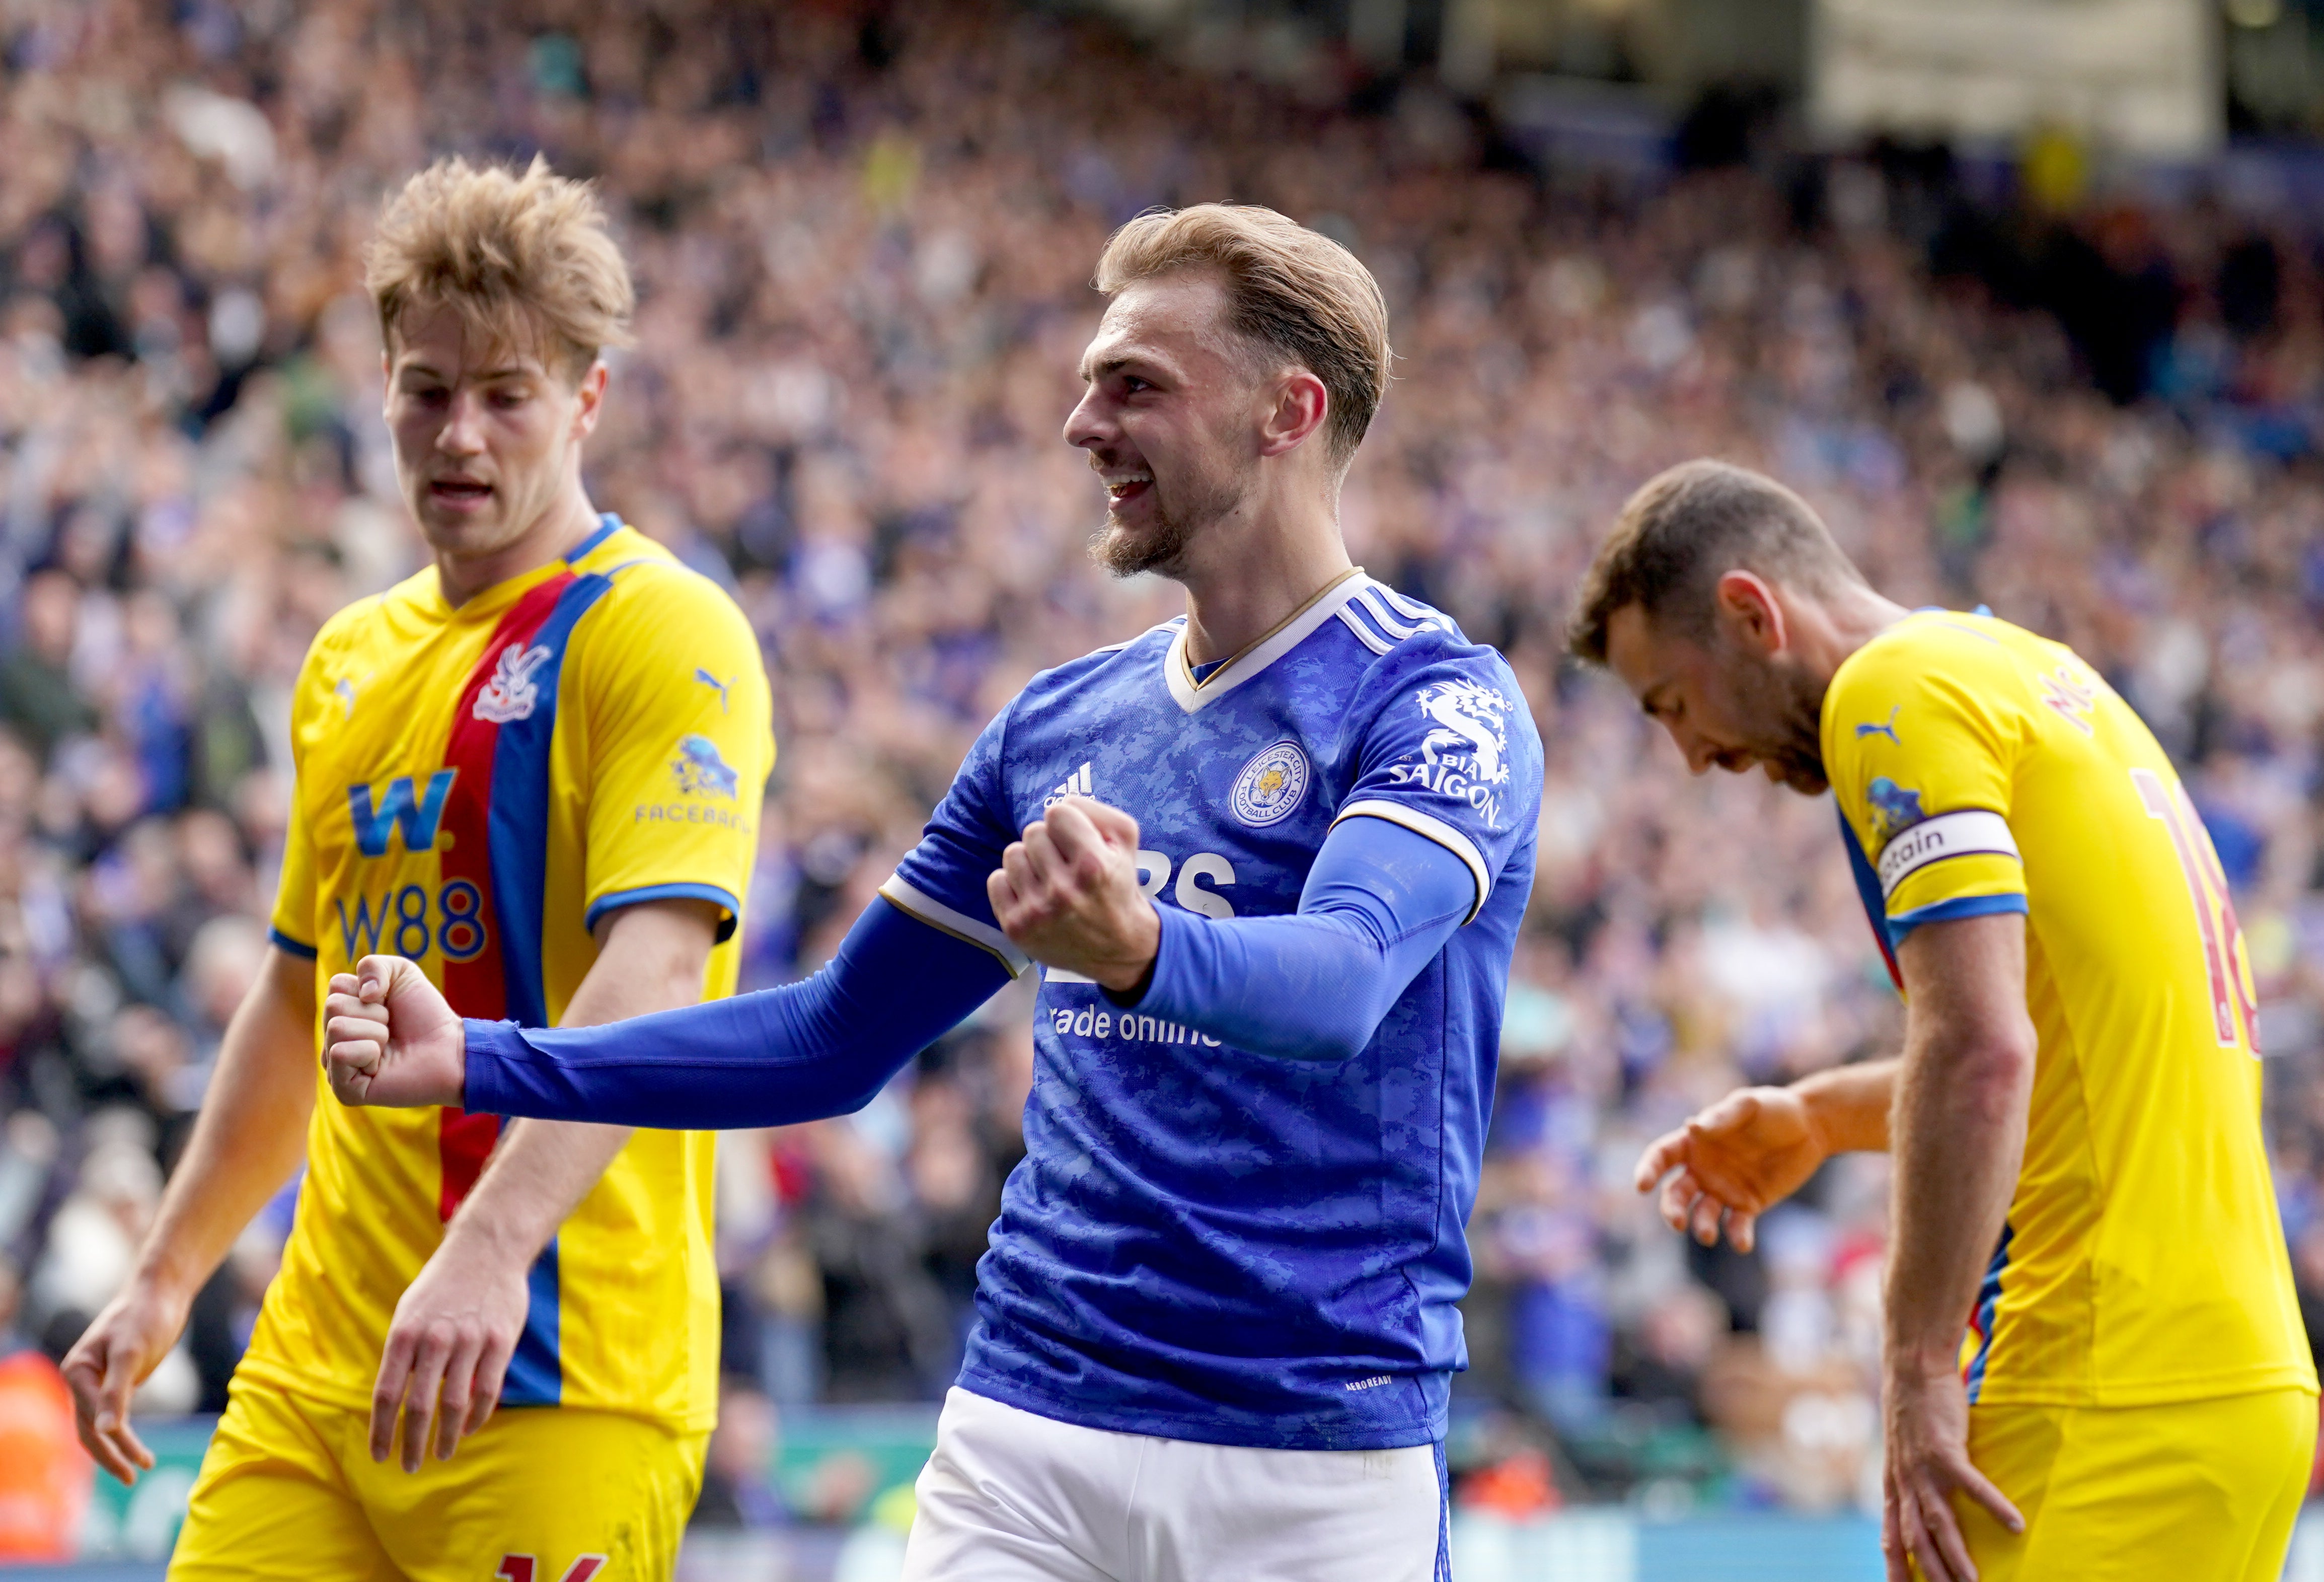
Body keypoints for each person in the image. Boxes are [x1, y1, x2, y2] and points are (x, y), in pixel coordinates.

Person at [320, 203, 1542, 1582]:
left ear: (1286, 410)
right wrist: (485, 1057)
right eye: (1087, 381)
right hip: (1030, 1426)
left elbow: (1341, 979)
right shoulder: (1056, 720)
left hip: (1314, 1460)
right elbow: (829, 1037)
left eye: (1133, 382)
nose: (1082, 423)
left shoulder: (1435, 702)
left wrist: (1140, 945)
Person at [59, 158, 773, 1581]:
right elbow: (292, 996)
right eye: (424, 387)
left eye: (505, 391)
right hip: (320, 1369)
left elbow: (652, 972)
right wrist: (165, 1269)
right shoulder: (346, 658)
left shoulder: (662, 630)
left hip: (555, 1363)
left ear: (588, 398)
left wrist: (493, 1245)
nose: (459, 432)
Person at [1572, 460, 2315, 1582]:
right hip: (2243, 1387)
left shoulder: (1895, 690)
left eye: (1673, 703)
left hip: (2093, 1376)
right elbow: (2066, 1051)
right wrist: (1820, 1116)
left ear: (1750, 611)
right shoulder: (2040, 675)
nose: (1692, 757)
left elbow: (1979, 1051)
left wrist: (1916, 1372)